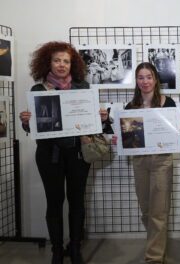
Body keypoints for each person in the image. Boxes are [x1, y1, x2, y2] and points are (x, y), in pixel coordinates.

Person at [19, 41, 110, 264]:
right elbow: (35, 128)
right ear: (48, 63)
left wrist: (102, 119)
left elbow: (93, 125)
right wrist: (27, 122)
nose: (61, 65)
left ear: (73, 64)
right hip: (50, 155)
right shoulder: (38, 90)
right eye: (57, 60)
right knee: (54, 202)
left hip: (79, 153)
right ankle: (57, 250)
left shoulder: (84, 88)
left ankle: (76, 248)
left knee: (77, 202)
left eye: (66, 61)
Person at [115, 62, 180, 264]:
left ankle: (154, 258)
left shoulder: (168, 104)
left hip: (162, 162)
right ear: (136, 81)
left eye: (149, 77)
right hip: (140, 162)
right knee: (147, 211)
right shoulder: (131, 107)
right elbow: (130, 140)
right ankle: (157, 244)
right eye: (140, 77)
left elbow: (175, 133)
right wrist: (120, 138)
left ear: (155, 79)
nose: (145, 81)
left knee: (158, 211)